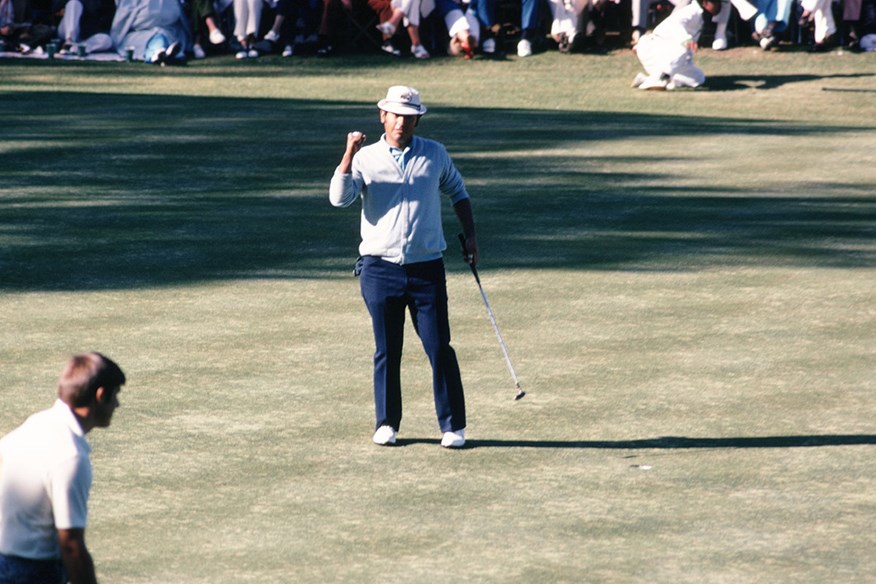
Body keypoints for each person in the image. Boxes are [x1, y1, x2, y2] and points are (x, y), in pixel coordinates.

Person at [329, 86, 477, 449]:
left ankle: (453, 426)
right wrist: (348, 154)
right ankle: (386, 423)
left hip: (427, 267)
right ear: (383, 116)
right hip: (380, 268)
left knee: (439, 345)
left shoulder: (434, 153)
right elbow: (339, 198)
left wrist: (470, 237)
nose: (401, 122)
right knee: (387, 348)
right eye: (395, 115)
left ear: (417, 119)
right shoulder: (366, 158)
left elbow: (458, 192)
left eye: (408, 117)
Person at [0, 352, 126, 584]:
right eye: (116, 395)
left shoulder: (34, 424)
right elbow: (70, 545)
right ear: (100, 395)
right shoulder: (71, 456)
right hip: (33, 573)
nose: (117, 404)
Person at [631, 0, 721, 90]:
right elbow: (676, 24)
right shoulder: (692, 10)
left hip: (666, 57)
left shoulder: (701, 17)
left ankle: (648, 79)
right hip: (651, 47)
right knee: (683, 47)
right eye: (716, 2)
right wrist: (687, 39)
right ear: (704, 2)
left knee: (699, 78)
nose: (719, 6)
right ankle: (659, 78)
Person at [110, 0, 191, 63]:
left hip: (169, 32)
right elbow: (124, 16)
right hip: (139, 34)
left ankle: (164, 54)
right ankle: (157, 54)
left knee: (164, 39)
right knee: (157, 41)